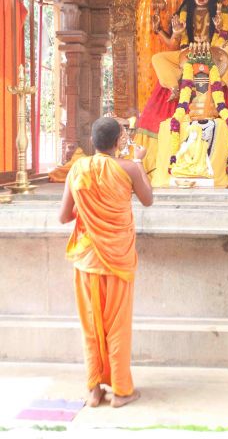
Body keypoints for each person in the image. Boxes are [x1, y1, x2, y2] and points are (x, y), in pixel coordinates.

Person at [59, 117, 153, 408]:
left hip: (87, 258)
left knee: (91, 324)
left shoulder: (77, 169)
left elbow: (63, 216)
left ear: (93, 141)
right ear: (118, 141)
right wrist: (139, 162)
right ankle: (122, 391)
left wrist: (88, 214)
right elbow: (148, 199)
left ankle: (94, 389)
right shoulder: (129, 168)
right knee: (117, 325)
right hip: (118, 258)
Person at [151, 0, 219, 100]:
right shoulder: (184, 14)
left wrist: (219, 29)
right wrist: (176, 33)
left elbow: (225, 39)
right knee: (158, 58)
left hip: (210, 54)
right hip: (188, 53)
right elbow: (174, 46)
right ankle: (174, 88)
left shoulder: (219, 12)